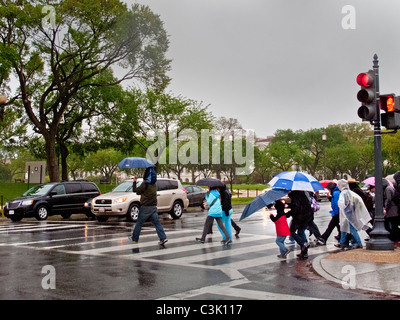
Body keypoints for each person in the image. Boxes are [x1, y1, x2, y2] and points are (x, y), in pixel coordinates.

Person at [129, 168, 168, 246]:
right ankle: (163, 237)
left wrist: (134, 182)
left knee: (139, 223)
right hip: (153, 207)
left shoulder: (145, 184)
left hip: (145, 207)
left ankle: (135, 239)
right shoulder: (154, 185)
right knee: (157, 223)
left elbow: (136, 191)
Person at [336, 179, 372, 250]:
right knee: (344, 229)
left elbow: (341, 203)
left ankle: (358, 243)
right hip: (350, 214)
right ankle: (342, 243)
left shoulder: (343, 193)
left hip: (347, 215)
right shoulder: (350, 192)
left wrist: (343, 209)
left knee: (350, 229)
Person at [286, 191, 314, 259]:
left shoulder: (295, 195)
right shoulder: (304, 193)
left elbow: (296, 208)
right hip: (307, 216)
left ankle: (303, 245)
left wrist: (288, 213)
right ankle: (304, 252)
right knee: (301, 231)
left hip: (299, 217)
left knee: (291, 231)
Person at [382, 178, 400, 242]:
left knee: (392, 224)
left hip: (392, 210)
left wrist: (386, 208)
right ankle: (395, 237)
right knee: (393, 224)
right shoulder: (390, 188)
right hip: (394, 209)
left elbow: (388, 199)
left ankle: (394, 237)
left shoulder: (387, 189)